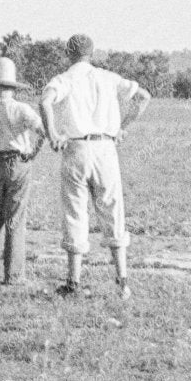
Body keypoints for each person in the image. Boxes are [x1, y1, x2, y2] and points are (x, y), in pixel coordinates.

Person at [38, 33, 152, 301]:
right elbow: (144, 96)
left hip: (76, 147)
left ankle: (73, 281)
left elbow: (44, 102)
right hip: (105, 148)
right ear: (92, 53)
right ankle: (122, 281)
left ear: (68, 53)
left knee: (75, 211)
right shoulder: (108, 77)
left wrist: (53, 133)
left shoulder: (64, 79)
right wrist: (123, 127)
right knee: (113, 208)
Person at [0, 56, 48, 286]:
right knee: (15, 219)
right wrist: (32, 152)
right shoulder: (21, 108)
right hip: (18, 162)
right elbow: (42, 131)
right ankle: (13, 275)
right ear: (12, 87)